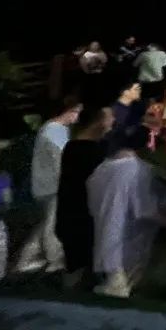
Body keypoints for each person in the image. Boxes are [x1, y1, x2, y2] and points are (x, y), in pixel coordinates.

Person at [89, 126, 166, 299]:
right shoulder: (140, 170)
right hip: (127, 248)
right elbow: (145, 210)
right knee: (120, 295)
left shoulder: (100, 169)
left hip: (102, 245)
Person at [13, 98, 81, 274]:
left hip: (49, 185)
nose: (78, 116)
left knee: (45, 226)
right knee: (52, 226)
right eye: (77, 111)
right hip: (52, 186)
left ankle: (25, 261)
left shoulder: (56, 129)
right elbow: (62, 159)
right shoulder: (54, 130)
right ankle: (54, 261)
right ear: (69, 111)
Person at [56, 104, 114, 288]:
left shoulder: (72, 147)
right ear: (98, 122)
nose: (112, 122)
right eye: (109, 118)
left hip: (70, 217)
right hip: (86, 220)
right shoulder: (94, 152)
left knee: (75, 267)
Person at [108, 81, 145, 154]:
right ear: (126, 92)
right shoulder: (117, 110)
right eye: (136, 89)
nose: (140, 91)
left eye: (140, 89)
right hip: (117, 150)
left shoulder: (133, 106)